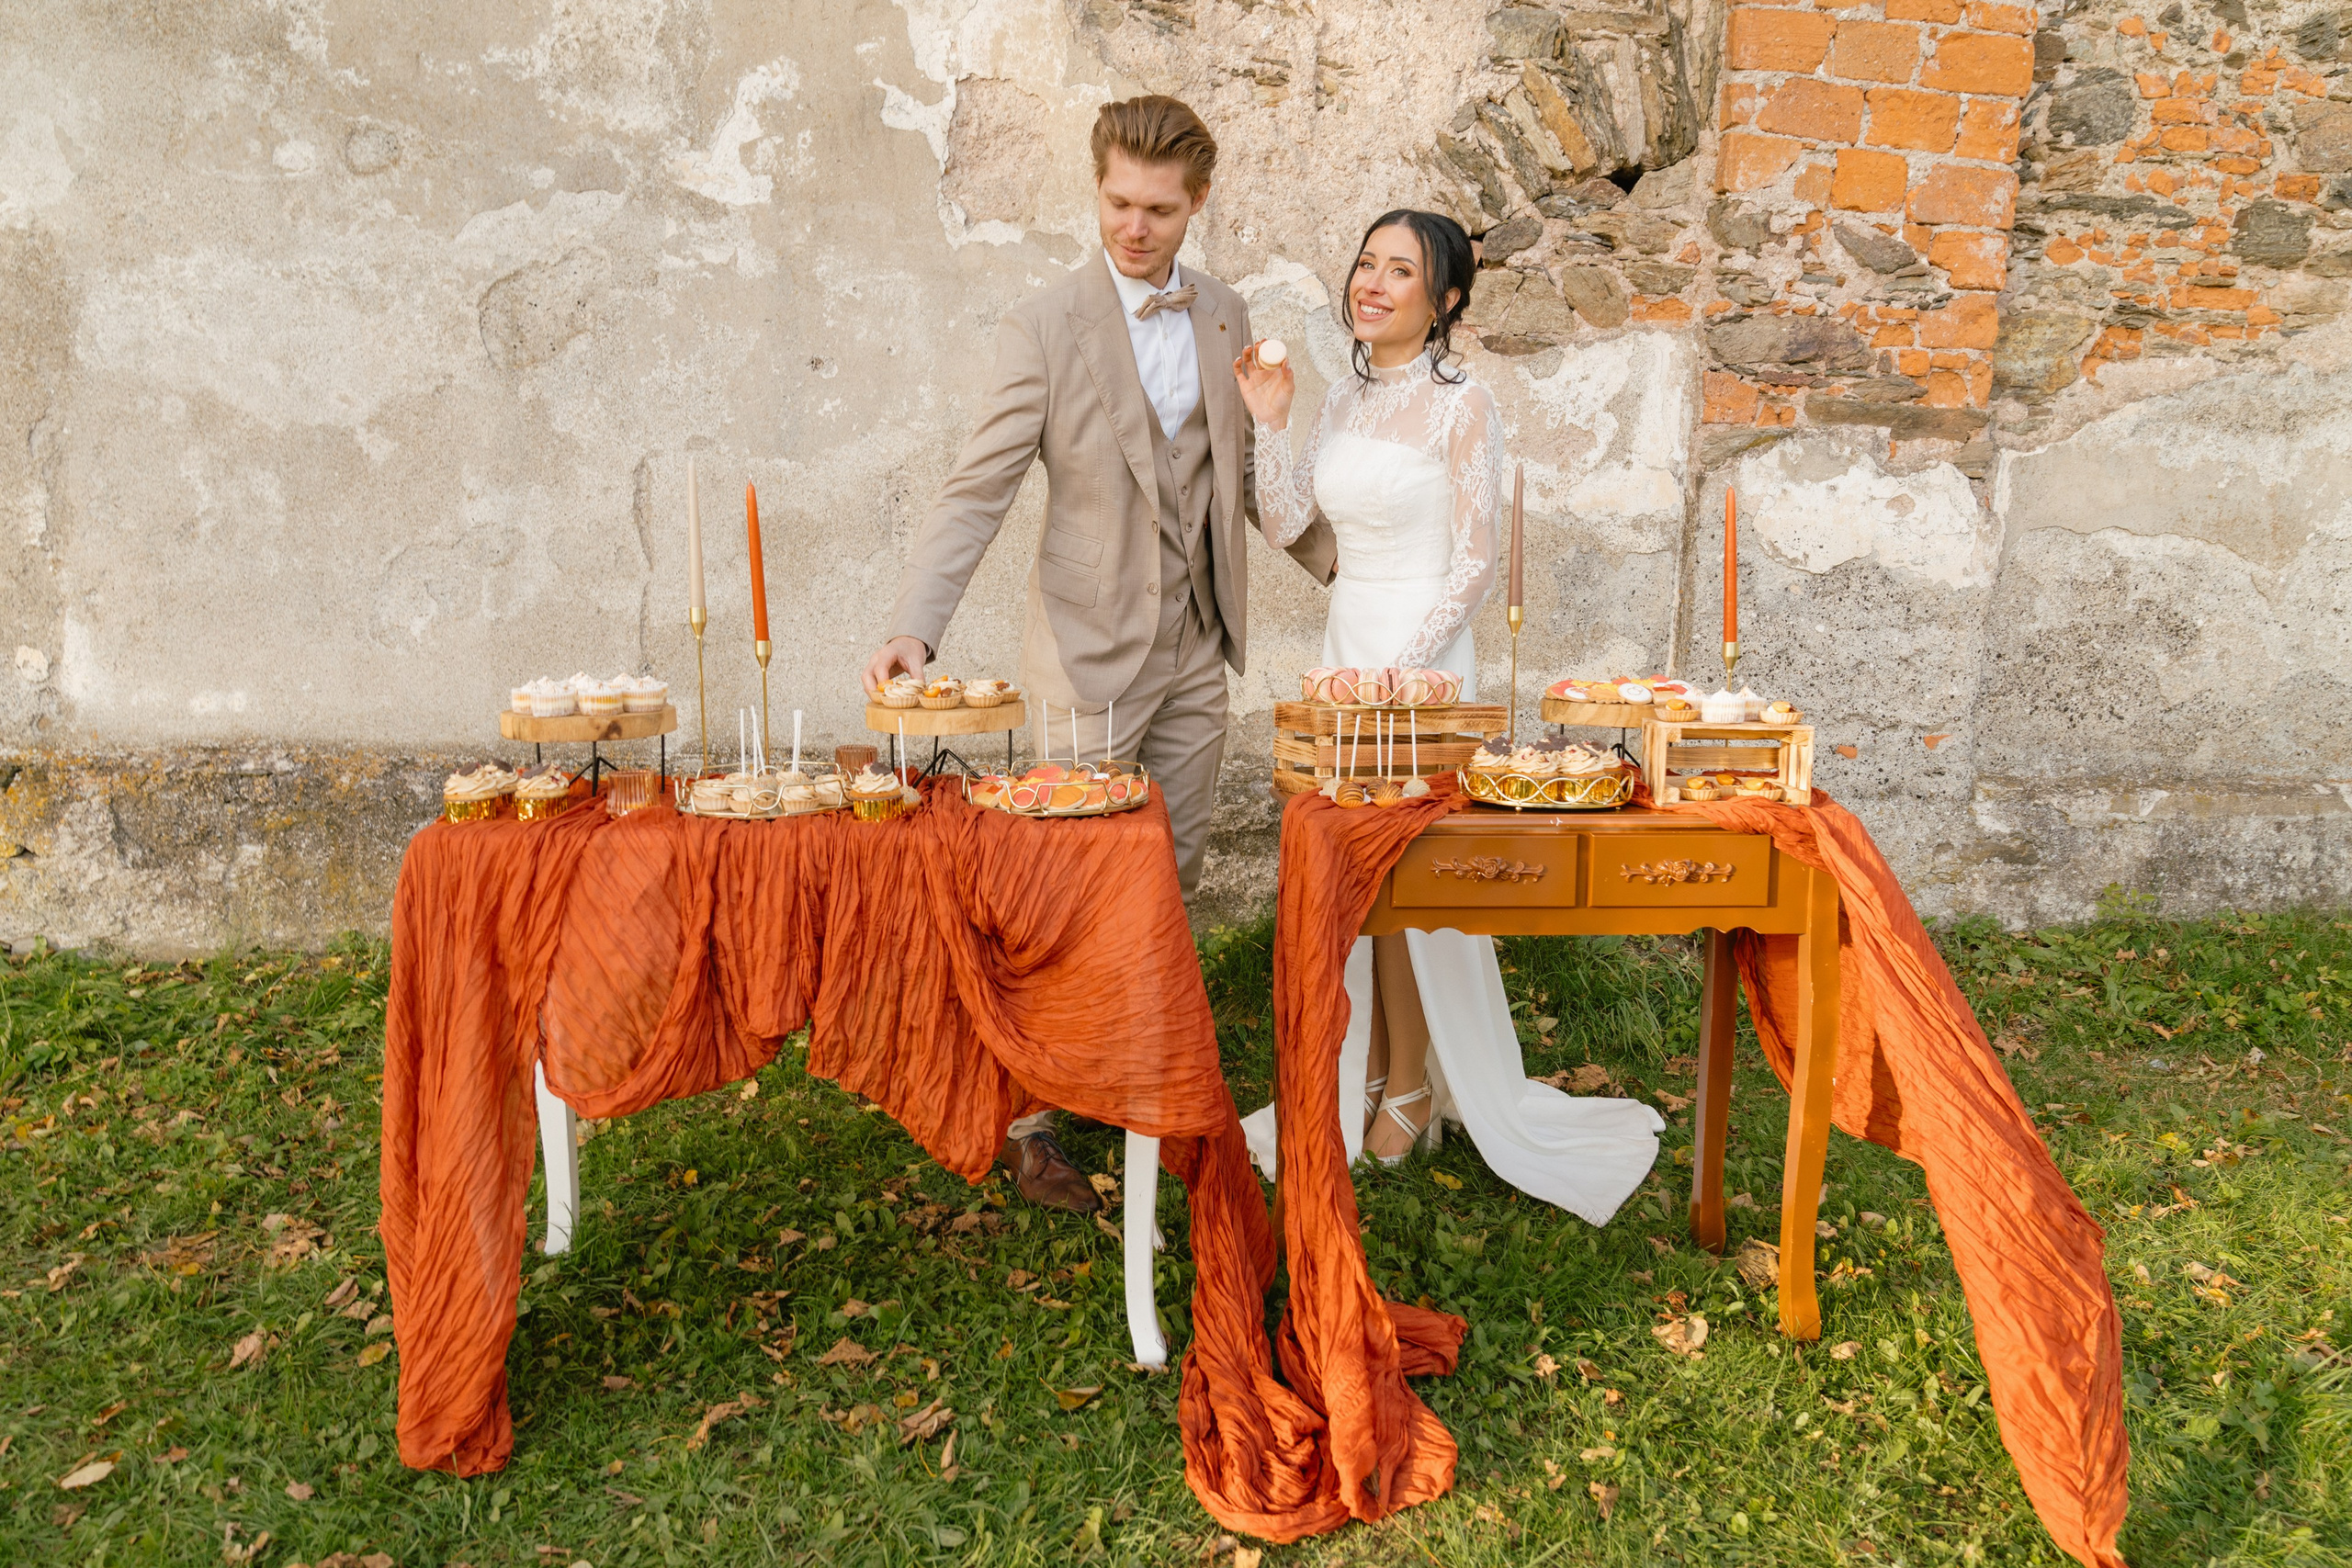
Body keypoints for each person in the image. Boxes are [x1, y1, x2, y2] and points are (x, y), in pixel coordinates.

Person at [865, 96, 1336, 1213]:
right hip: (1084, 652)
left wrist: (1363, 578)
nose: (1135, 227)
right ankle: (1031, 1121)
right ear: (1098, 193)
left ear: (1197, 205)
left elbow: (1258, 485)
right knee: (1064, 891)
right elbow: (976, 487)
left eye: (1159, 210)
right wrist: (914, 624)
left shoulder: (1227, 317)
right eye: (1119, 204)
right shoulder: (1043, 327)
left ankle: (1136, 1092)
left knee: (1163, 884)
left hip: (1196, 646)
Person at [1231, 210, 1661, 1223]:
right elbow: (1293, 524)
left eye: (1401, 271)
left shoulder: (1462, 405)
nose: (1372, 283)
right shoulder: (1341, 396)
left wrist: (1401, 671)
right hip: (1349, 648)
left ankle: (1414, 1088)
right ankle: (1375, 1082)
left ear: (1447, 301)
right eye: (1366, 264)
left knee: (1409, 877)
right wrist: (1270, 418)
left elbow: (1474, 560)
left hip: (1420, 664)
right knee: (1357, 883)